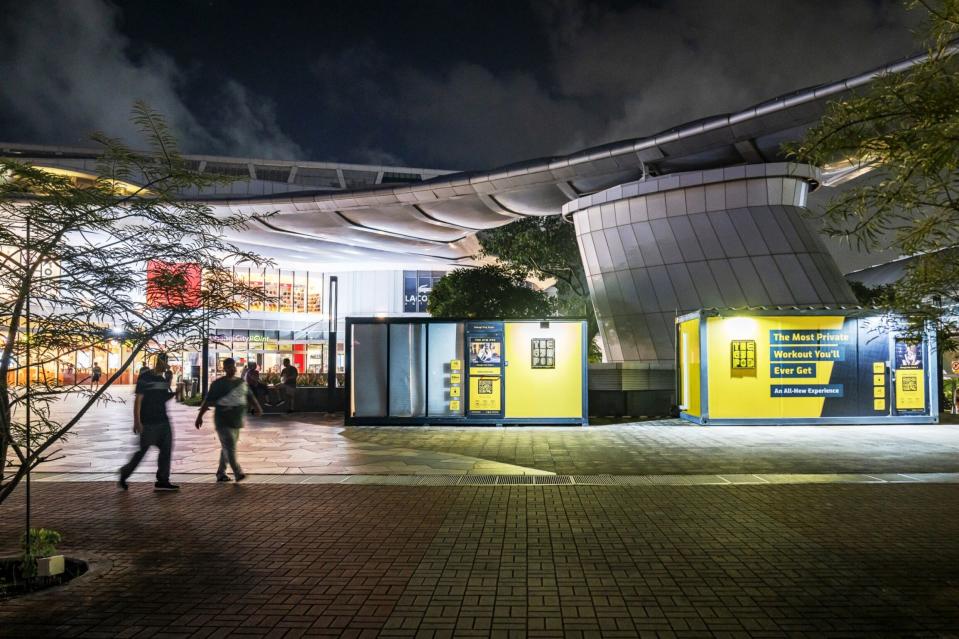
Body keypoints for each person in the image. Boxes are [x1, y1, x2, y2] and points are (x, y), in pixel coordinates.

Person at [195, 357, 262, 482]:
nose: (232, 369)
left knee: (227, 447)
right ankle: (238, 472)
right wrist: (199, 417)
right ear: (224, 369)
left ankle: (221, 473)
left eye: (233, 367)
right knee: (230, 445)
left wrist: (257, 407)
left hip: (236, 422)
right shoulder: (218, 384)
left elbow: (250, 396)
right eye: (229, 367)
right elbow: (207, 401)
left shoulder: (241, 383)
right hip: (223, 421)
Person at [118, 353, 179, 492]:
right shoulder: (145, 378)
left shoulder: (163, 380)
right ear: (158, 362)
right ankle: (125, 472)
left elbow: (163, 399)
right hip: (148, 422)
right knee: (141, 452)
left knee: (166, 450)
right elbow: (138, 400)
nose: (166, 367)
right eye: (165, 363)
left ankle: (163, 480)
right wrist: (137, 421)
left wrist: (176, 393)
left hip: (163, 420)